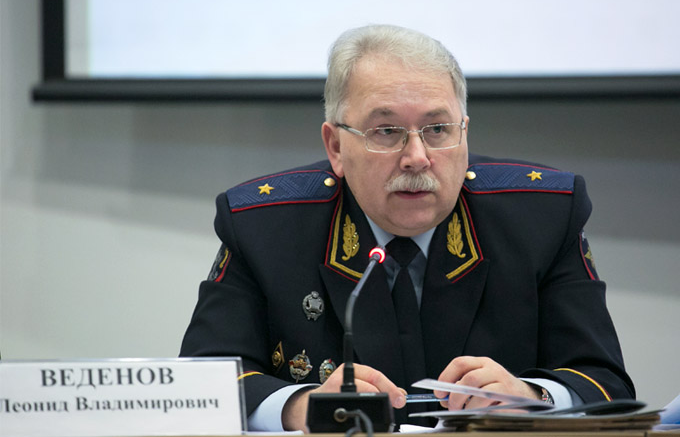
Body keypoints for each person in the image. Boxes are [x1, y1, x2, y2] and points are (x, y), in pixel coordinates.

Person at [180, 24, 634, 431]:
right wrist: (300, 407)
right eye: (387, 131)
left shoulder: (542, 215)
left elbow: (604, 380)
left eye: (437, 129)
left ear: (464, 133)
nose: (417, 158)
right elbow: (201, 381)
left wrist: (534, 397)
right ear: (336, 146)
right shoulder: (263, 225)